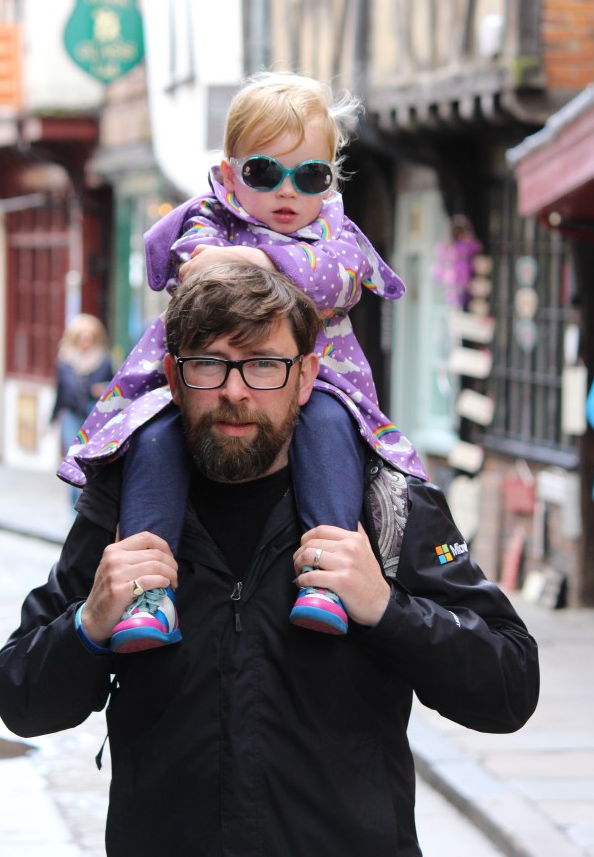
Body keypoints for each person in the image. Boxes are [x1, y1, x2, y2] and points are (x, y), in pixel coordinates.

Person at [0, 265, 540, 857]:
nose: (235, 391)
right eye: (210, 364)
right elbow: (20, 698)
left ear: (305, 375)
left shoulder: (384, 502)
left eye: (264, 364)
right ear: (174, 378)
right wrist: (89, 625)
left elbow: (509, 685)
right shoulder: (124, 506)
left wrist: (387, 609)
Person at [57, 71, 427, 650]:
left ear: (330, 182)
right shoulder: (204, 216)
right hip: (182, 386)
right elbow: (197, 269)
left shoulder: (339, 232)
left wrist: (244, 256)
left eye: (309, 175)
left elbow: (336, 280)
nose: (287, 192)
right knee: (155, 437)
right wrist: (259, 261)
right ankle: (148, 593)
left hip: (327, 381)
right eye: (263, 172)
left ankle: (326, 577)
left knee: (328, 426)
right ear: (231, 174)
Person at [50, 314, 113, 507]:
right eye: (82, 338)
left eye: (90, 338)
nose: (86, 342)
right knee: (73, 459)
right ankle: (74, 507)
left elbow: (113, 390)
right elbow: (60, 392)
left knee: (88, 462)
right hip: (71, 414)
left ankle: (83, 506)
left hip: (93, 414)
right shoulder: (65, 362)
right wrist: (51, 420)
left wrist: (102, 389)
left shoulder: (103, 361)